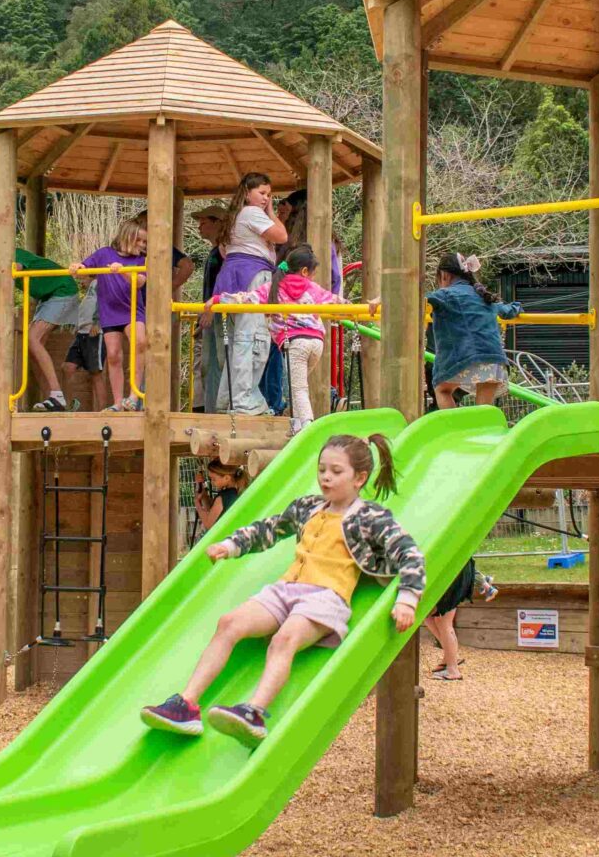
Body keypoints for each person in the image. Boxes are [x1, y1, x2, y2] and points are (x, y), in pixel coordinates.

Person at [141, 432, 425, 744]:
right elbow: (270, 529)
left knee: (283, 640)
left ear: (359, 478)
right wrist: (231, 545)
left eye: (336, 471)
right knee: (228, 623)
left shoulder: (371, 517)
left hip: (325, 598)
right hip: (286, 589)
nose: (326, 477)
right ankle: (187, 705)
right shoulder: (308, 507)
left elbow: (409, 553)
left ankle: (255, 712)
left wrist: (407, 599)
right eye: (321, 470)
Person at [215, 172, 289, 414]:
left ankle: (229, 398)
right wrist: (270, 213)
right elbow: (282, 236)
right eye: (262, 193)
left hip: (234, 274)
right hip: (254, 275)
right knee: (254, 338)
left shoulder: (235, 215)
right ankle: (245, 399)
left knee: (238, 340)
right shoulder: (252, 212)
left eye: (269, 195)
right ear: (247, 193)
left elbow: (225, 251)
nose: (266, 198)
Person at [427, 252, 519, 409]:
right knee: (482, 411)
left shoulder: (445, 295)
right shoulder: (484, 297)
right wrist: (517, 307)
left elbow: (414, 299)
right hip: (494, 362)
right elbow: (509, 310)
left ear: (444, 275)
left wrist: (384, 299)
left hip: (463, 359)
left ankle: (458, 430)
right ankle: (482, 430)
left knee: (442, 389)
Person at [82, 211, 151, 412]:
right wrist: (78, 267)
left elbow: (139, 282)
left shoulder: (141, 261)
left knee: (139, 343)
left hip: (132, 311)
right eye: (140, 241)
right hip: (110, 311)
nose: (143, 246)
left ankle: (134, 395)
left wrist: (122, 270)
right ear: (128, 237)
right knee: (113, 354)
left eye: (145, 242)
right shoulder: (104, 254)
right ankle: (118, 402)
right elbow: (86, 266)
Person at [272, 244, 339, 431]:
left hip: (295, 342)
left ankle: (306, 427)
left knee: (298, 388)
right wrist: (359, 310)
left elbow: (248, 297)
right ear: (304, 271)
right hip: (316, 343)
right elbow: (335, 301)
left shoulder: (275, 286)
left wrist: (219, 299)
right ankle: (293, 418)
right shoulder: (312, 287)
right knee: (295, 385)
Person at [19, 247, 87, 411]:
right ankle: (53, 399)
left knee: (32, 338)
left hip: (62, 290)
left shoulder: (12, 254)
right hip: (48, 296)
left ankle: (56, 395)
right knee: (32, 346)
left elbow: (16, 267)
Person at [420, 557, 496, 682]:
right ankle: (449, 657)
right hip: (459, 571)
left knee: (444, 623)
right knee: (429, 617)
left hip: (452, 575)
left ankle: (452, 669)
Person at [187, 203, 233, 411]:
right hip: (210, 312)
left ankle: (215, 410)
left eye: (204, 223)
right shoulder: (215, 252)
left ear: (218, 224)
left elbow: (224, 283)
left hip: (216, 313)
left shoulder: (225, 253)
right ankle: (206, 407)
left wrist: (210, 310)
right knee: (207, 363)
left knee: (215, 362)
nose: (199, 228)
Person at [194, 456, 247, 541]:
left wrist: (197, 504)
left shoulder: (223, 497)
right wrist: (204, 495)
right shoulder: (234, 493)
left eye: (213, 479)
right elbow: (212, 511)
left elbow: (208, 523)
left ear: (226, 478)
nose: (212, 482)